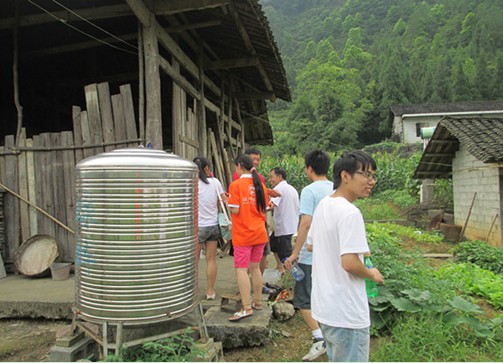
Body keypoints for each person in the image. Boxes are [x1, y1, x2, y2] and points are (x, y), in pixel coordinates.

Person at [307, 150, 384, 362]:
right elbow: (349, 263)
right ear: (345, 176)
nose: (371, 181)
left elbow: (312, 244)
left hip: (325, 309)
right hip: (347, 313)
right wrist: (371, 274)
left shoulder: (324, 204)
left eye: (373, 176)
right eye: (366, 175)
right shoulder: (350, 213)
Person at [283, 150, 332, 362]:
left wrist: (295, 253)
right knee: (325, 296)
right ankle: (330, 337)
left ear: (309, 168)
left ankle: (319, 338)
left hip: (311, 256)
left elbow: (305, 223)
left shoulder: (310, 191)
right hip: (331, 254)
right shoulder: (336, 188)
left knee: (303, 299)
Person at [227, 154, 269, 321]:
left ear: (239, 166)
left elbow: (235, 210)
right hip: (259, 232)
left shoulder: (235, 185)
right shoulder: (260, 186)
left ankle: (246, 307)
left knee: (241, 269)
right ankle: (257, 302)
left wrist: (227, 200)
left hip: (243, 234)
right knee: (255, 268)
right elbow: (265, 209)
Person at [231, 147, 279, 278]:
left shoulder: (259, 178)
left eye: (258, 159)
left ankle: (250, 288)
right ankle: (248, 290)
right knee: (250, 265)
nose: (256, 162)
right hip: (252, 226)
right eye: (253, 159)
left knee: (256, 260)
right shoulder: (238, 177)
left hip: (252, 226)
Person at [193, 157, 228, 300]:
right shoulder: (215, 182)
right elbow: (224, 200)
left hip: (197, 227)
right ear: (207, 168)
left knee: (193, 261)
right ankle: (210, 291)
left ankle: (192, 291)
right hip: (213, 225)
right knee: (211, 260)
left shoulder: (192, 183)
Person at [268, 167, 299, 272]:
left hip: (284, 227)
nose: (270, 180)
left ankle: (293, 274)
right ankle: (280, 266)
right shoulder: (292, 189)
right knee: (272, 244)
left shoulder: (278, 189)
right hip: (290, 225)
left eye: (271, 177)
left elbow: (270, 206)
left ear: (279, 177)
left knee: (286, 254)